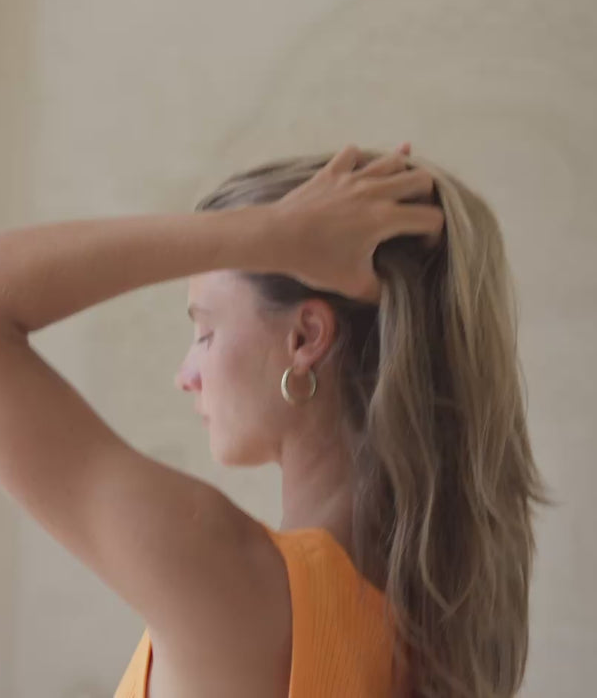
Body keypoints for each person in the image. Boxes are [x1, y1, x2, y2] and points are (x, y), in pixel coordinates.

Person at [115, 141, 551, 698]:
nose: (186, 374)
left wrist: (259, 233)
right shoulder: (439, 621)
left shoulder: (232, 587)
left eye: (205, 332)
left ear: (306, 338)